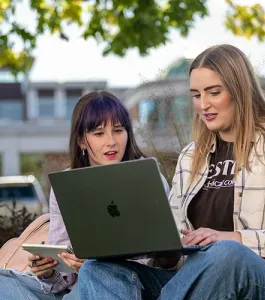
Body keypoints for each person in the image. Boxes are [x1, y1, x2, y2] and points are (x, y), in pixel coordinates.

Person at [78, 44, 265, 300]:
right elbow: (176, 235)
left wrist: (233, 238)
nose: (204, 104)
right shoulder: (191, 156)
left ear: (240, 91)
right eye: (196, 95)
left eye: (214, 92)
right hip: (193, 279)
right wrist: (167, 252)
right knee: (99, 269)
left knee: (225, 253)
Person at [0, 90, 170, 300]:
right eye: (99, 134)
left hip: (132, 282)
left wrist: (96, 265)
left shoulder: (149, 178)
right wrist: (49, 271)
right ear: (81, 141)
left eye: (118, 130)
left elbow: (161, 258)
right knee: (3, 281)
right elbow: (62, 278)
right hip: (77, 286)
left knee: (94, 272)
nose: (111, 141)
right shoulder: (66, 185)